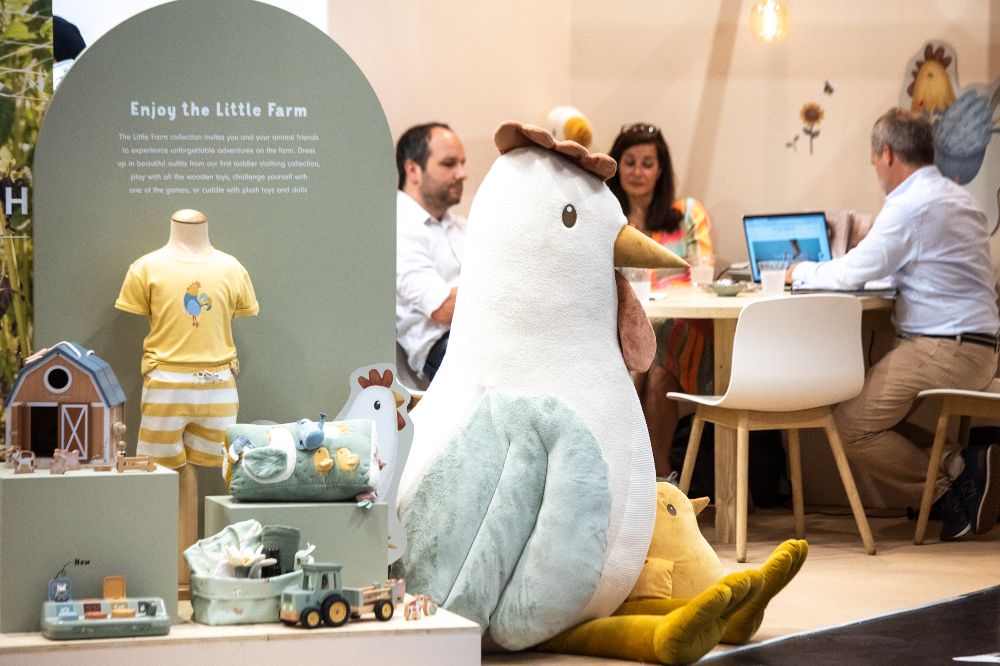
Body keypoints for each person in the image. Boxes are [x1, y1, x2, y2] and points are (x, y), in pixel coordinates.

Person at [788, 107, 1000, 541]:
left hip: (943, 348)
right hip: (980, 349)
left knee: (850, 426)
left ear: (886, 154)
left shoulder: (909, 204)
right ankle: (965, 468)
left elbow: (850, 273)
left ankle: (952, 478)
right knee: (872, 416)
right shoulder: (959, 198)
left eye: (873, 162)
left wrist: (800, 273)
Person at [608, 122, 713, 477]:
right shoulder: (607, 221)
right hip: (621, 331)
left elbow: (703, 273)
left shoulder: (687, 214)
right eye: (630, 161)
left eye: (647, 163)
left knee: (650, 369)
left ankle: (654, 476)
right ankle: (640, 481)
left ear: (660, 170)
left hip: (683, 330)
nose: (638, 172)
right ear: (616, 165)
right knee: (639, 365)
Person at [395, 122, 467, 381]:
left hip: (481, 334)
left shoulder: (459, 225)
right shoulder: (396, 224)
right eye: (449, 164)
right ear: (413, 169)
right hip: (443, 348)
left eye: (462, 163)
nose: (462, 173)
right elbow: (442, 308)